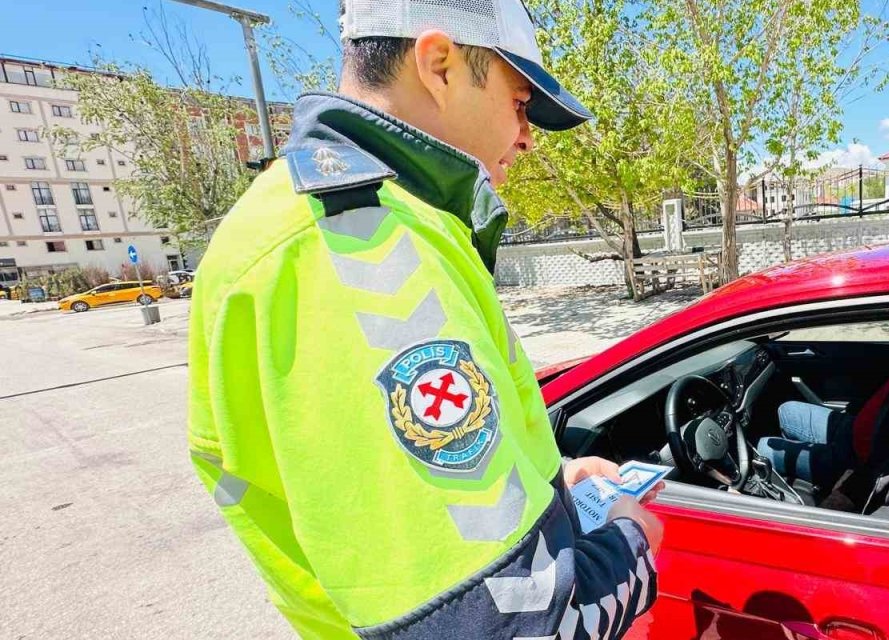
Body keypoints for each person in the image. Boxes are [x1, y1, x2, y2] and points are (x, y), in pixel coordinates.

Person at [186, 1, 663, 638]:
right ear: (440, 65)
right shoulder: (357, 246)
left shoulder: (351, 219)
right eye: (520, 103)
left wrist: (554, 491)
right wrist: (632, 539)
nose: (527, 136)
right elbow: (513, 625)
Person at [757, 322, 889, 520]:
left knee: (762, 449)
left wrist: (833, 502)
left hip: (854, 460)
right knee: (787, 410)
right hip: (855, 437)